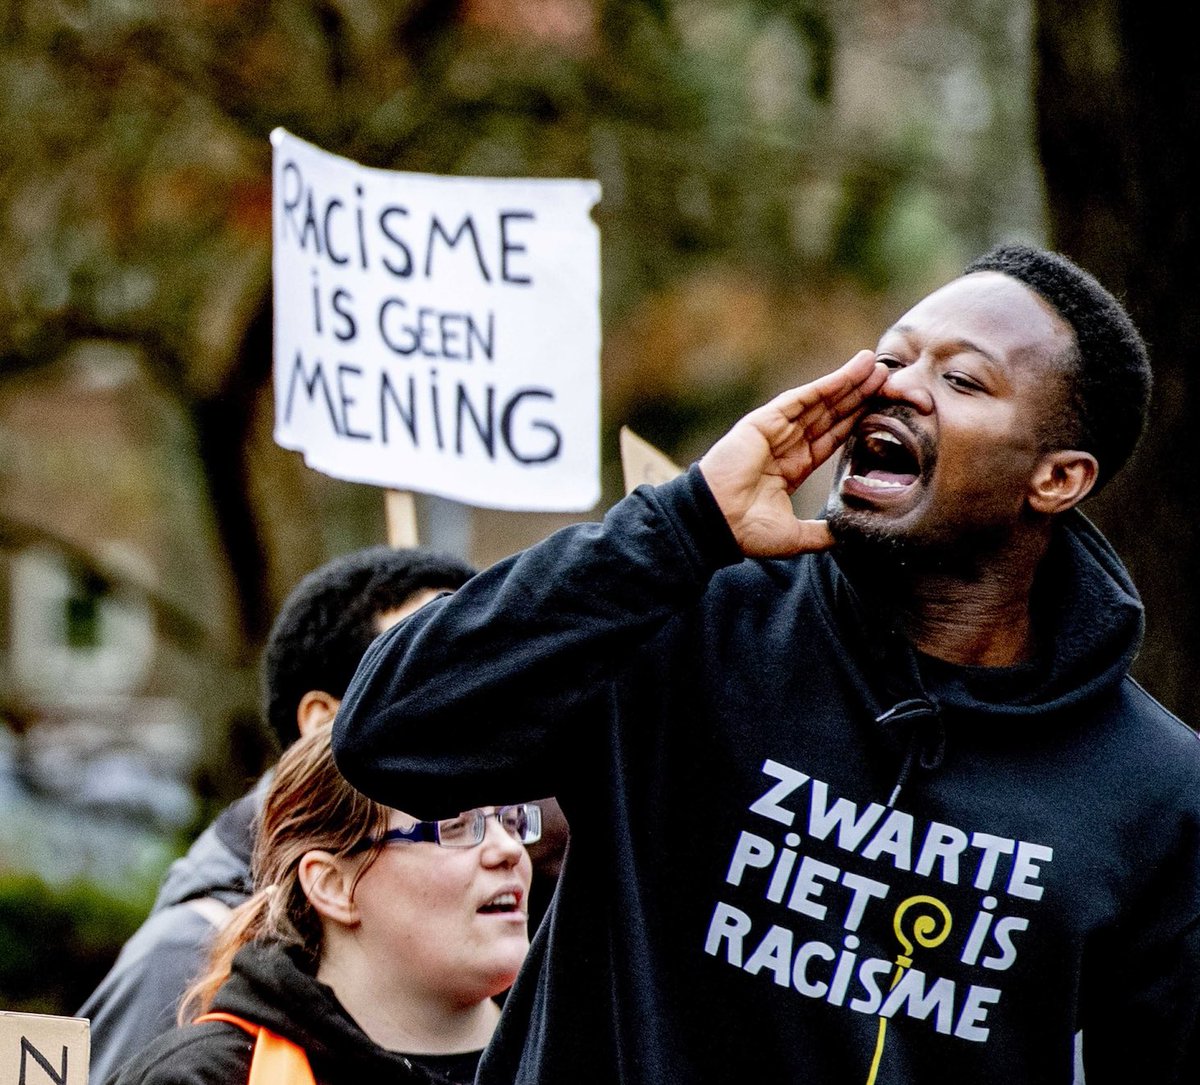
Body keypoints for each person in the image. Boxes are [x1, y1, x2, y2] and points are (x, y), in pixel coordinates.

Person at [331, 244, 1200, 1084]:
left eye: (961, 379)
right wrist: (683, 524)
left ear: (1057, 478)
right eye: (891, 357)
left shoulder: (1157, 793)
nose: (897, 385)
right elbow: (387, 736)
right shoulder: (684, 614)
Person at [80, 546, 476, 1083]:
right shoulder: (180, 958)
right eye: (427, 678)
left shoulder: (505, 929)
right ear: (322, 725)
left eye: (483, 675)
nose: (476, 706)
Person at [108, 723, 540, 1085]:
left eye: (512, 820)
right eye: (455, 825)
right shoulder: (206, 1076)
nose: (508, 850)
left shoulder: (590, 1053)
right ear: (333, 885)